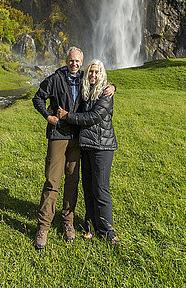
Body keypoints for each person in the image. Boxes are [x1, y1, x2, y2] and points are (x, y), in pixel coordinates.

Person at [32, 47, 114, 250]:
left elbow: (101, 81)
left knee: (72, 181)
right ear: (66, 60)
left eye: (78, 61)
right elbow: (37, 98)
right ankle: (43, 227)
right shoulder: (56, 78)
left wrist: (113, 86)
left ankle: (68, 222)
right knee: (52, 181)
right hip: (59, 135)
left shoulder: (87, 78)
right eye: (71, 61)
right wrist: (48, 115)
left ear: (82, 63)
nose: (74, 64)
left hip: (77, 137)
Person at [57, 59, 119, 246]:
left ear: (102, 75)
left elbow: (93, 117)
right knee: (88, 187)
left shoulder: (106, 94)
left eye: (97, 72)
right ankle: (90, 224)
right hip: (87, 146)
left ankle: (108, 231)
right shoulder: (86, 92)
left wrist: (68, 116)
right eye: (90, 72)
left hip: (102, 147)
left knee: (101, 189)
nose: (93, 75)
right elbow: (68, 70)